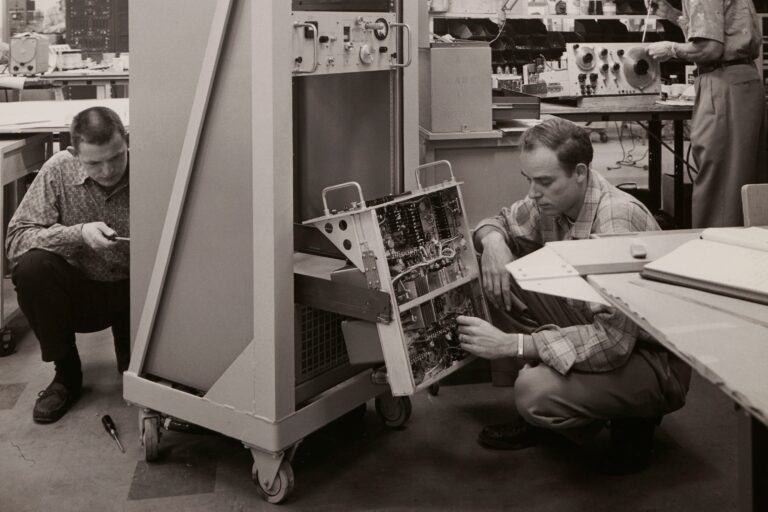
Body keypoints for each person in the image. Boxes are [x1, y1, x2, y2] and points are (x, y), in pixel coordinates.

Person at [456, 117, 690, 474]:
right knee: (488, 269)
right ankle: (574, 396)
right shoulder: (552, 200)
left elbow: (613, 342)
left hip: (649, 358)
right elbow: (501, 221)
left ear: (580, 172)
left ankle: (632, 416)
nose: (533, 193)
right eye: (529, 180)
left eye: (545, 182)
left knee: (533, 393)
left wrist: (515, 346)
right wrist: (492, 243)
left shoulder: (616, 223)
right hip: (598, 322)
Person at [6, 106, 130, 424]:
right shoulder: (58, 169)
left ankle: (136, 361)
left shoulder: (153, 163)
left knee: (136, 375)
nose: (107, 171)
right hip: (82, 290)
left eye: (116, 157)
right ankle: (67, 375)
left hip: (139, 291)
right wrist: (79, 233)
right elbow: (16, 240)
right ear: (74, 154)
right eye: (94, 162)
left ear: (127, 141)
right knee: (32, 268)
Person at [647, 0, 767, 228]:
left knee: (720, 186)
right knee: (746, 183)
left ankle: (714, 254)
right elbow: (723, 27)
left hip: (723, 82)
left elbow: (710, 48)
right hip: (744, 80)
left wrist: (671, 48)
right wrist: (673, 15)